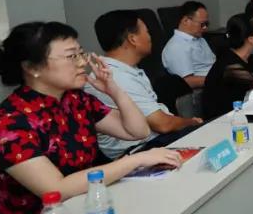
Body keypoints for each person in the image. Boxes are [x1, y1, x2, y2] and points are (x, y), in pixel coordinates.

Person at [0, 22, 183, 214]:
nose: (82, 63)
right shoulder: (8, 125)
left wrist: (114, 90)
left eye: (81, 54)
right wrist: (136, 160)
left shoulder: (75, 100)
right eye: (71, 56)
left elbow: (137, 131)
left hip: (86, 210)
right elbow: (57, 189)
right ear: (32, 68)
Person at [85, 10, 203, 159]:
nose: (150, 37)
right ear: (132, 39)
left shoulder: (125, 69)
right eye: (147, 32)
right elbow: (162, 124)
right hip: (138, 150)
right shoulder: (115, 76)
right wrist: (191, 122)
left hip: (152, 141)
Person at [161, 0, 215, 88]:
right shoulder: (176, 47)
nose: (205, 28)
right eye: (202, 24)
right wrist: (218, 79)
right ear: (186, 21)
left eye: (207, 24)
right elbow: (187, 81)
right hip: (202, 89)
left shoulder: (200, 39)